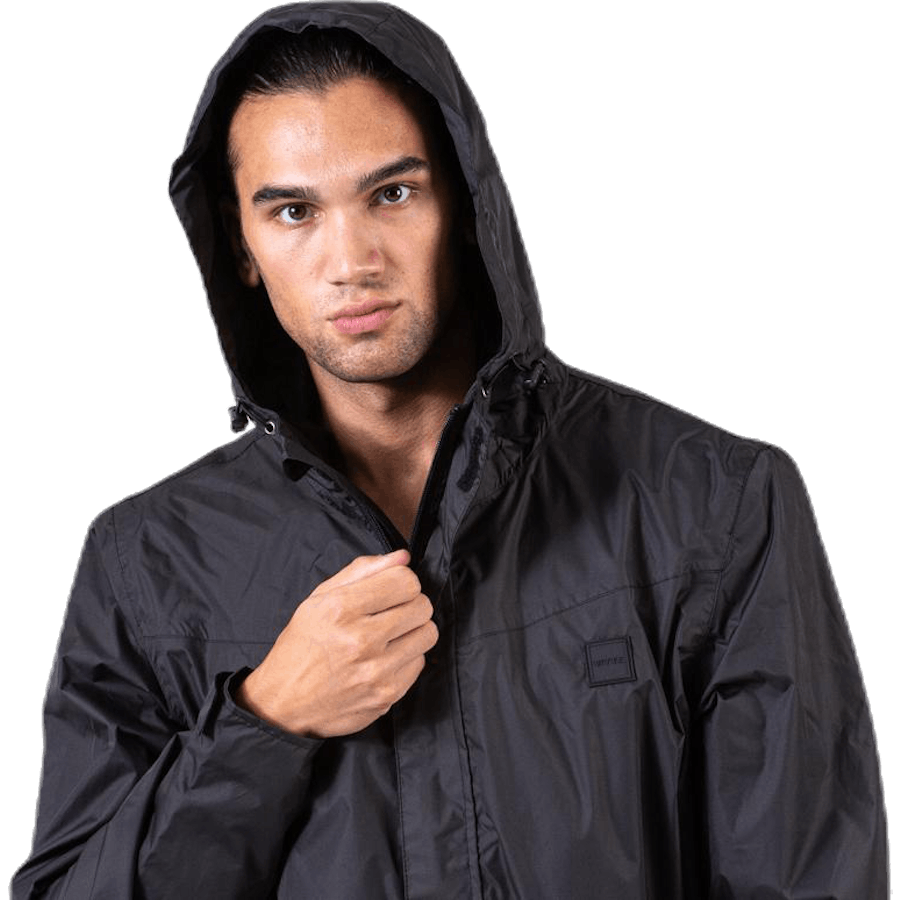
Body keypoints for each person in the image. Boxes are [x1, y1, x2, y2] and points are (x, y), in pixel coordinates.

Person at [10, 1, 890, 897]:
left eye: (392, 194)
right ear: (241, 245)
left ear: (466, 203)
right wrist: (266, 720)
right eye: (294, 211)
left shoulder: (710, 503)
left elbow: (807, 874)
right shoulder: (146, 563)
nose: (351, 261)